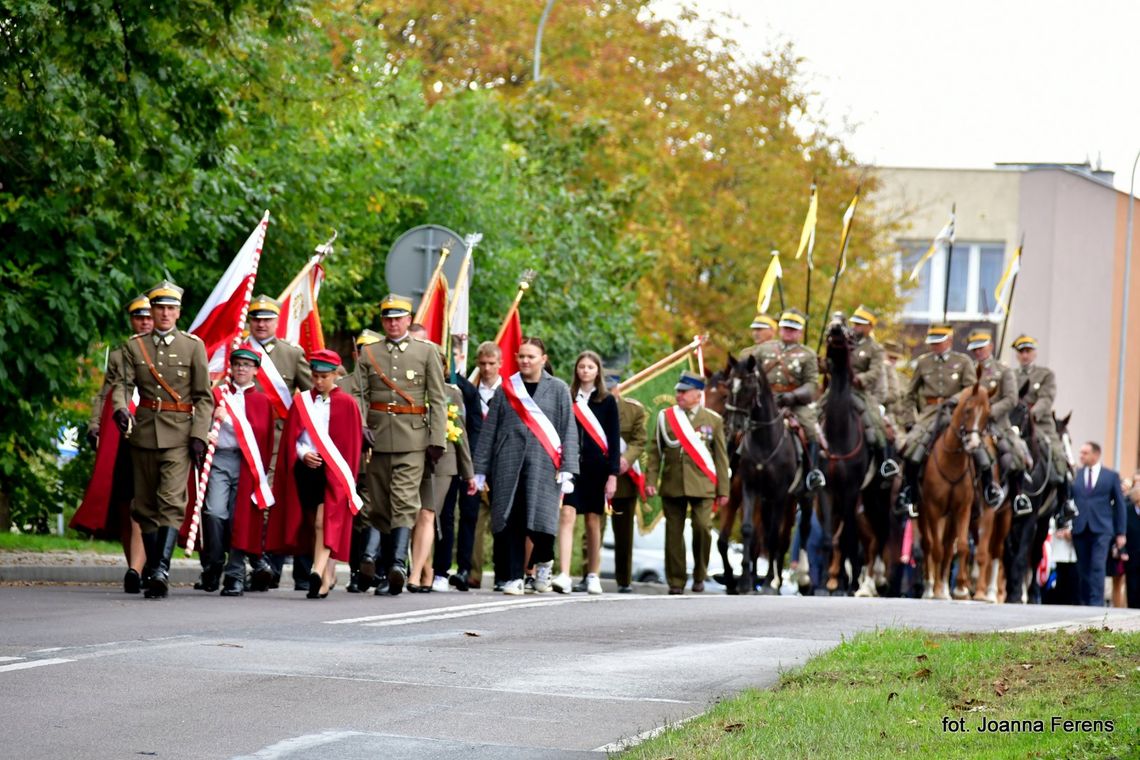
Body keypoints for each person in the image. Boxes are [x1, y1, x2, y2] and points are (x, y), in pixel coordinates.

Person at [112, 280, 214, 599]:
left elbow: (204, 397)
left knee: (171, 501)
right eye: (160, 308)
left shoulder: (192, 346)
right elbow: (122, 386)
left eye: (171, 308)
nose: (165, 313)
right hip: (142, 433)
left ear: (179, 312)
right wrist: (119, 409)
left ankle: (161, 569)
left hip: (180, 434)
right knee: (144, 506)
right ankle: (155, 566)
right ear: (152, 311)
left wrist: (198, 435)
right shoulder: (134, 346)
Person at [472, 338, 578, 595]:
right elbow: (490, 430)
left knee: (541, 523)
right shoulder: (507, 388)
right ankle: (514, 576)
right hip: (508, 465)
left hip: (545, 466)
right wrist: (480, 469)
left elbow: (568, 430)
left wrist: (568, 468)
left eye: (531, 357)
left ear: (543, 358)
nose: (525, 361)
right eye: (522, 356)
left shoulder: (558, 389)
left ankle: (544, 562)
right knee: (512, 521)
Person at [359, 294, 447, 596]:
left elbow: (437, 397)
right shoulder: (369, 353)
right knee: (380, 506)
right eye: (388, 318)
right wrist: (360, 426)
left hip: (413, 439)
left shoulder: (426, 352)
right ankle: (385, 571)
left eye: (399, 318)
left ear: (409, 320)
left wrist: (437, 440)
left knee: (404, 499)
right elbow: (359, 394)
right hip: (378, 438)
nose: (393, 323)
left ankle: (397, 565)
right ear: (383, 322)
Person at [266, 349, 363, 599]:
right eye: (315, 376)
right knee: (311, 523)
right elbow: (293, 439)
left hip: (333, 473)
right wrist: (303, 454)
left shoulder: (347, 404)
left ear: (335, 375)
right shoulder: (303, 402)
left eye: (324, 377)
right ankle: (325, 575)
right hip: (306, 470)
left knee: (324, 521)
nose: (318, 382)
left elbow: (350, 447)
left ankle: (317, 571)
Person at [73, 294, 152, 593]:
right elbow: (105, 393)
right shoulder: (119, 353)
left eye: (148, 316)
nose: (144, 321)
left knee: (141, 505)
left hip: (153, 435)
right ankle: (133, 567)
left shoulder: (164, 350)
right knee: (123, 504)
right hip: (121, 436)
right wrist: (95, 424)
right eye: (138, 317)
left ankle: (140, 567)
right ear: (131, 320)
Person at [194, 345, 275, 597]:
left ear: (256, 371)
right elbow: (200, 423)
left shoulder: (262, 401)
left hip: (246, 464)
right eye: (237, 364)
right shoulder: (218, 395)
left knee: (240, 519)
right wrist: (210, 425)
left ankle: (234, 575)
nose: (241, 368)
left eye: (247, 365)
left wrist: (228, 419)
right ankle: (215, 563)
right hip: (219, 460)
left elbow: (260, 435)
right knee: (215, 513)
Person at [245, 294, 314, 591]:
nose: (261, 324)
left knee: (269, 499)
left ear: (276, 321)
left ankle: (267, 565)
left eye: (267, 319)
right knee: (244, 499)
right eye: (256, 319)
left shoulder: (291, 353)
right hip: (242, 436)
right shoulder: (238, 347)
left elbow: (311, 396)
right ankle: (247, 562)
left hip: (276, 438)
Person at [646, 370, 730, 594]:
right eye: (678, 392)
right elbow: (655, 451)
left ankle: (700, 575)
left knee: (702, 527)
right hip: (673, 483)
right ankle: (676, 580)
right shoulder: (666, 417)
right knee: (673, 533)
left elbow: (721, 457)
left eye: (684, 392)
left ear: (698, 395)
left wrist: (723, 489)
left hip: (703, 485)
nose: (679, 395)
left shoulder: (714, 420)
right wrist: (651, 479)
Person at [408, 342, 477, 592]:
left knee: (428, 513)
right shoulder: (413, 390)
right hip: (415, 457)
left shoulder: (452, 392)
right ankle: (425, 571)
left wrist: (468, 473)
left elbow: (461, 435)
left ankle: (414, 575)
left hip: (443, 462)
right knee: (415, 517)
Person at [554, 351, 621, 595]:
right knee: (567, 516)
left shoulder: (607, 401)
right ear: (576, 370)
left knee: (593, 521)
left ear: (597, 371)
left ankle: (593, 574)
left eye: (590, 367)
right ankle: (563, 573)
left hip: (597, 469)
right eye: (581, 366)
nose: (585, 371)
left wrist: (613, 474)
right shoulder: (568, 397)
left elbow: (613, 439)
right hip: (572, 467)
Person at [897, 324, 978, 515]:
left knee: (980, 449)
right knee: (910, 448)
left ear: (949, 341)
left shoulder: (963, 362)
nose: (934, 347)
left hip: (956, 413)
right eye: (932, 343)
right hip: (930, 414)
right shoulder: (923, 363)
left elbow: (971, 390)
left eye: (938, 343)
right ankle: (908, 492)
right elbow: (909, 394)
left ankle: (985, 490)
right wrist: (909, 420)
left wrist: (955, 400)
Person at [448, 341, 503, 590]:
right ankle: (468, 570)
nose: (487, 368)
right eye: (482, 364)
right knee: (470, 516)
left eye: (492, 364)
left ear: (500, 364)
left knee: (502, 520)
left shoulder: (510, 392)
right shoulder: (469, 391)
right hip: (473, 463)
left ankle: (504, 572)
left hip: (500, 464)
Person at [752, 309, 825, 491]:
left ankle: (812, 474)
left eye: (793, 329)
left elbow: (811, 384)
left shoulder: (807, 355)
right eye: (785, 328)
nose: (788, 332)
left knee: (810, 430)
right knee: (741, 426)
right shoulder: (763, 350)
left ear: (800, 332)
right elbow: (751, 374)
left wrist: (793, 396)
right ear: (780, 329)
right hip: (765, 401)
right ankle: (732, 465)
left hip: (794, 403)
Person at [1012, 335, 1076, 518]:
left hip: (1040, 424)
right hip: (1014, 423)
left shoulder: (1045, 374)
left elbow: (1046, 399)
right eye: (1021, 352)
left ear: (1034, 353)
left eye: (1028, 351)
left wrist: (1031, 414)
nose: (1025, 355)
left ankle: (1066, 503)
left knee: (1058, 455)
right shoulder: (1010, 375)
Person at [340, 330, 383, 593]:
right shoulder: (343, 384)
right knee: (353, 516)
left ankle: (373, 564)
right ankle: (357, 570)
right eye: (361, 350)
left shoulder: (386, 382)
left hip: (379, 460)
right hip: (350, 461)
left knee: (376, 512)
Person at [966, 330, 1025, 510]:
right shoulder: (967, 369)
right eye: (975, 349)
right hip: (971, 424)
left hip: (996, 423)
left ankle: (1017, 497)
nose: (978, 352)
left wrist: (989, 412)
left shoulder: (1003, 370)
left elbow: (1011, 398)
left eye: (981, 348)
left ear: (990, 347)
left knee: (1014, 456)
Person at [1070, 441, 1127, 607]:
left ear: (1096, 455)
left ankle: (1096, 603)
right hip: (1080, 527)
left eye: (1085, 453)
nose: (1081, 456)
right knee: (1083, 567)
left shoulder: (1110, 476)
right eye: (1080, 453)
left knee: (1097, 565)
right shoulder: (1076, 475)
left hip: (1102, 529)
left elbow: (1120, 505)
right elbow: (1068, 501)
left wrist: (1121, 532)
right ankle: (1085, 602)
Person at [843, 305, 898, 478]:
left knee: (876, 424)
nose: (855, 327)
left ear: (870, 327)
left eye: (860, 324)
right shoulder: (844, 344)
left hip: (861, 393)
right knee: (814, 420)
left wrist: (859, 379)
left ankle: (885, 463)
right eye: (855, 323)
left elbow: (875, 372)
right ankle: (814, 467)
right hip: (839, 390)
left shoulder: (875, 349)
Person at [608, 371, 647, 593]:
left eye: (612, 387)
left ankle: (624, 580)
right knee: (592, 528)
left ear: (618, 387)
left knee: (623, 533)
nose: (609, 390)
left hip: (624, 479)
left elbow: (639, 439)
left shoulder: (633, 409)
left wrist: (626, 459)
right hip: (598, 476)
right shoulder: (589, 407)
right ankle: (588, 574)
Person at [1124, 472, 1140, 609]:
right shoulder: (1128, 510)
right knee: (1132, 584)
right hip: (1132, 554)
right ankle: (1132, 609)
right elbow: (1122, 532)